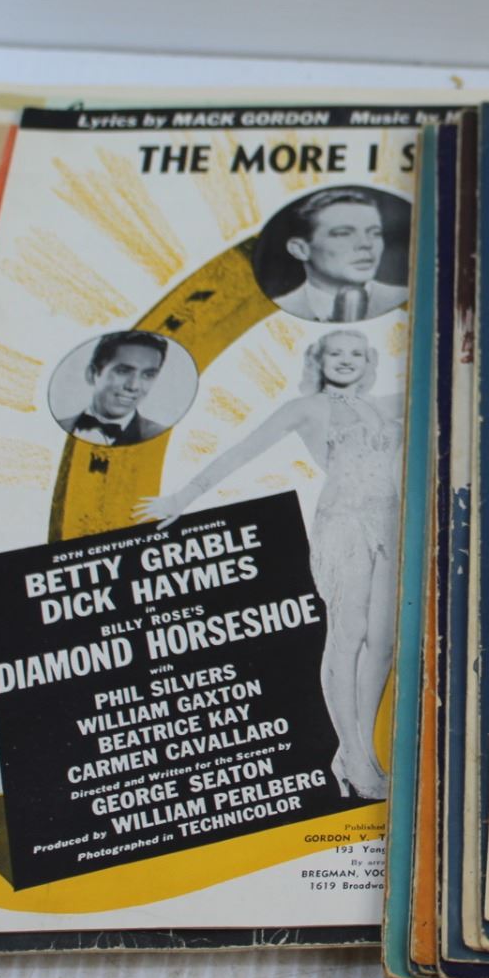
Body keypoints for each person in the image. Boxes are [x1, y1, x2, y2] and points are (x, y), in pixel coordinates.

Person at [136, 330, 400, 799]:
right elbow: (243, 451)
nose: (346, 360)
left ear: (368, 360)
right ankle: (354, 756)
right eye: (336, 353)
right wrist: (183, 496)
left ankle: (358, 753)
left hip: (390, 523)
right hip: (344, 523)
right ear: (319, 359)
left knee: (382, 642)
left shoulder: (383, 403)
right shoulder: (306, 408)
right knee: (348, 633)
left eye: (356, 353)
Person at [270, 187, 408, 322]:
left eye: (375, 233)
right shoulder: (276, 311)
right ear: (300, 249)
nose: (366, 244)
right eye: (343, 234)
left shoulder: (407, 300)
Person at [55, 331, 170, 447]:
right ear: (92, 374)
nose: (133, 386)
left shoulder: (162, 437)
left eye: (148, 375)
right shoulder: (58, 426)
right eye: (123, 371)